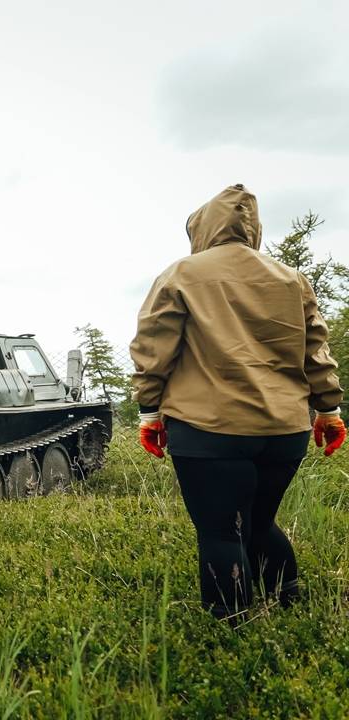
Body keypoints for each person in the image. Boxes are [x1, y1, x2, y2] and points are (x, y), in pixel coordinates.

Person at [130, 183, 345, 622]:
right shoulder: (291, 278)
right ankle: (288, 603)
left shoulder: (182, 274)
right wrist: (329, 410)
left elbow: (154, 347)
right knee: (260, 522)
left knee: (221, 532)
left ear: (203, 227)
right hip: (286, 432)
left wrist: (149, 413)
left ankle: (230, 628)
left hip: (209, 431)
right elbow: (316, 350)